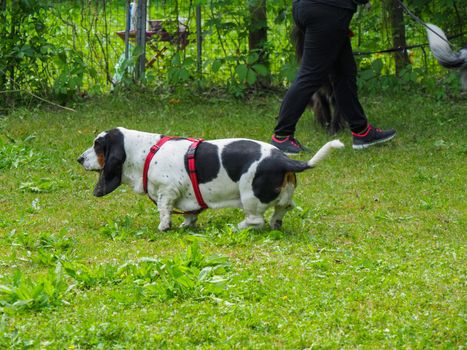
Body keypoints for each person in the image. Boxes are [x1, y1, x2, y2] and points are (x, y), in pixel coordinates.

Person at [271, 0, 396, 153]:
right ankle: (281, 136)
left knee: (344, 72)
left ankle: (362, 132)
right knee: (311, 74)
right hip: (328, 9)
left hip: (312, 7)